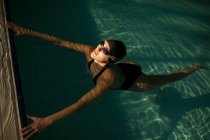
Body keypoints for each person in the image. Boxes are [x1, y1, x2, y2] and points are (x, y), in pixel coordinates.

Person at [7, 22, 207, 140]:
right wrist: (26, 31)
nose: (98, 47)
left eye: (103, 49)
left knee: (169, 79)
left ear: (110, 59)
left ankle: (196, 67)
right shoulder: (89, 51)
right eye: (101, 43)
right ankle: (156, 86)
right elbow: (60, 41)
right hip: (126, 65)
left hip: (134, 80)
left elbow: (82, 103)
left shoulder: (107, 79)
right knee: (140, 70)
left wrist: (47, 120)